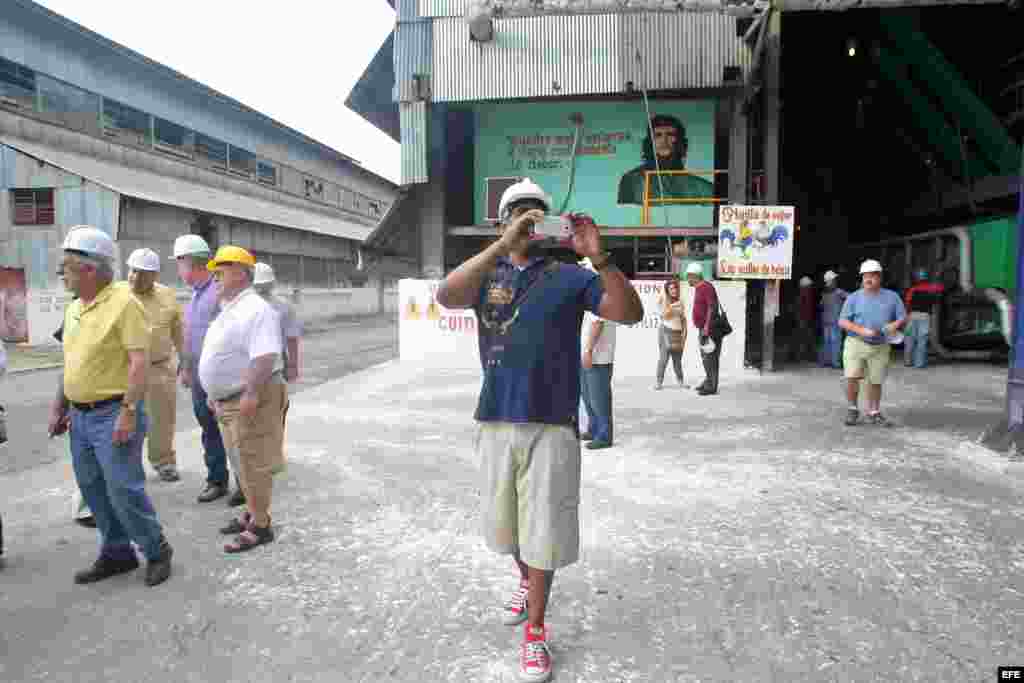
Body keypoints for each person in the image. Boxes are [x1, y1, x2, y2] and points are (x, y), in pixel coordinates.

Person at [436, 177, 643, 683]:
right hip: (496, 420)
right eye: (516, 213)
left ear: (549, 223)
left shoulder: (571, 276)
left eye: (535, 213)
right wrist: (501, 247)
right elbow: (446, 295)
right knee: (506, 532)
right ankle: (528, 582)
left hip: (552, 423)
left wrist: (601, 257)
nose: (527, 220)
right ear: (501, 222)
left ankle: (535, 632)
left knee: (543, 535)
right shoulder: (488, 272)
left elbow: (630, 313)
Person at [47, 226, 173, 587]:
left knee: (123, 488)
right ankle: (117, 552)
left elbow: (138, 362)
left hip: (113, 412)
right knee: (92, 488)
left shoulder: (124, 304)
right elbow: (71, 362)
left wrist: (129, 411)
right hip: (80, 415)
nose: (61, 275)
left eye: (67, 268)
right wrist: (60, 405)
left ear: (89, 270)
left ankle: (157, 548)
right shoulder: (73, 309)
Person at [199, 246, 286, 553]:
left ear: (240, 272)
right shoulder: (232, 306)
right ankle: (252, 512)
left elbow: (264, 357)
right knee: (240, 461)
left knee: (252, 462)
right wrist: (214, 393)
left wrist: (250, 393)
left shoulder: (256, 309)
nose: (214, 276)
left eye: (220, 270)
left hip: (248, 397)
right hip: (227, 400)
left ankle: (261, 526)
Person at [173, 234, 234, 505]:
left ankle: (246, 483)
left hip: (220, 377)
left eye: (179, 263)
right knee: (209, 428)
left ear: (191, 263)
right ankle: (217, 479)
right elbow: (191, 337)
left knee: (232, 428)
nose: (178, 270)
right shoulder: (196, 296)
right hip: (199, 376)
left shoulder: (218, 293)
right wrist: (185, 368)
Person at [124, 248, 185, 482]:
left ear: (155, 275)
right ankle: (127, 466)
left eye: (144, 273)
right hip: (125, 371)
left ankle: (164, 462)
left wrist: (185, 361)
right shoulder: (117, 295)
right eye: (133, 271)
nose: (136, 277)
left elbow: (179, 330)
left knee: (162, 419)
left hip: (159, 368)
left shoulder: (167, 296)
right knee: (126, 417)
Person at [838, 259, 907, 427]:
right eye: (865, 276)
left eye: (872, 276)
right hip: (856, 342)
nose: (868, 279)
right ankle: (853, 409)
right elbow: (842, 321)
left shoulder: (892, 297)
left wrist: (894, 325)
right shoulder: (854, 298)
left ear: (880, 277)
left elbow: (903, 316)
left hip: (881, 345)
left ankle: (874, 412)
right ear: (862, 277)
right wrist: (861, 330)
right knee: (852, 377)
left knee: (876, 380)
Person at [253, 262, 301, 475]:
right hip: (251, 364)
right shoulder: (244, 305)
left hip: (276, 363)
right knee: (257, 413)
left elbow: (292, 338)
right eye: (259, 285)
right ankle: (263, 454)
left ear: (272, 283)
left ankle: (272, 455)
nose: (262, 289)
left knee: (276, 411)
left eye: (265, 285)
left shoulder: (283, 306)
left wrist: (292, 365)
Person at [617, 114, 714, 206]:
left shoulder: (703, 188)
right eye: (658, 135)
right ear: (649, 143)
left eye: (670, 134)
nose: (664, 140)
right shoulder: (632, 180)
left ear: (681, 142)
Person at [579, 259, 617, 450]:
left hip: (598, 356)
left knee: (598, 398)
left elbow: (597, 324)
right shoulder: (590, 293)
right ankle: (593, 428)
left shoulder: (602, 293)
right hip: (588, 355)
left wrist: (588, 350)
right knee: (587, 395)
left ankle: (604, 435)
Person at [687, 262, 723, 396]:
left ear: (695, 276)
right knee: (706, 357)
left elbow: (712, 307)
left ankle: (711, 386)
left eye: (689, 276)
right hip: (703, 328)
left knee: (710, 357)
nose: (688, 279)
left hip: (709, 329)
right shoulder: (699, 288)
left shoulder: (706, 287)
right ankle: (708, 381)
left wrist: (707, 328)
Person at [903, 268, 944, 369]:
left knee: (910, 339)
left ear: (916, 279)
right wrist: (938, 277)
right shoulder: (932, 289)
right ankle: (919, 363)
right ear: (927, 278)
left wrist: (906, 316)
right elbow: (941, 289)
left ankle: (908, 361)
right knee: (922, 340)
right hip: (925, 316)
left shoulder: (912, 290)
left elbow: (907, 303)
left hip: (912, 315)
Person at [654, 278, 688, 390]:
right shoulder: (663, 300)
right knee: (663, 359)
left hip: (677, 332)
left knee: (677, 360)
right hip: (665, 331)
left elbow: (683, 319)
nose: (674, 290)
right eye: (671, 288)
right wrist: (673, 306)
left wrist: (684, 334)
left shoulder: (681, 301)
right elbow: (664, 315)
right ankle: (658, 382)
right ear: (667, 290)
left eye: (675, 288)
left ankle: (680, 381)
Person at [819, 270, 848, 369]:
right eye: (834, 279)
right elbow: (851, 297)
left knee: (827, 342)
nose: (836, 281)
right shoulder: (839, 292)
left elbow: (821, 306)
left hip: (826, 321)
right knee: (836, 342)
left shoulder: (824, 294)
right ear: (832, 281)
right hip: (835, 321)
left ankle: (826, 362)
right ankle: (835, 363)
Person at [796, 276, 817, 362]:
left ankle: (802, 357)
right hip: (803, 320)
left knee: (804, 338)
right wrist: (802, 320)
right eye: (809, 286)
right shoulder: (803, 295)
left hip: (805, 320)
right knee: (802, 339)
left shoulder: (805, 295)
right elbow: (802, 308)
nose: (810, 288)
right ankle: (801, 357)